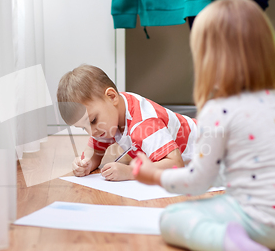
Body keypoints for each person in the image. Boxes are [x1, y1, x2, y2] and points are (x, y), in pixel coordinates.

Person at [131, 0, 275, 251]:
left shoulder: (216, 111)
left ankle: (230, 242)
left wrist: (156, 176)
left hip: (272, 229)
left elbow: (198, 182)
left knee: (173, 217)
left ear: (205, 57)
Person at [56, 64, 198, 181]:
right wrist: (85, 163)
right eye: (83, 128)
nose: (92, 132)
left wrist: (131, 172)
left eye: (93, 121)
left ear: (111, 97)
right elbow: (95, 151)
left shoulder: (144, 123)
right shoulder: (110, 115)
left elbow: (175, 164)